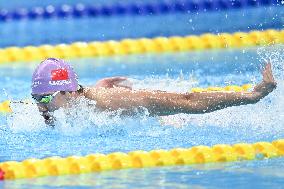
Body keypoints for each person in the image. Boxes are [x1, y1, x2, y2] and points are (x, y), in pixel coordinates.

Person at [31, 58, 277, 124]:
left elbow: (186, 100)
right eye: (35, 98)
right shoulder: (70, 104)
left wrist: (250, 96)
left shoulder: (110, 103)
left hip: (172, 122)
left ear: (67, 93)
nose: (39, 106)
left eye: (44, 98)